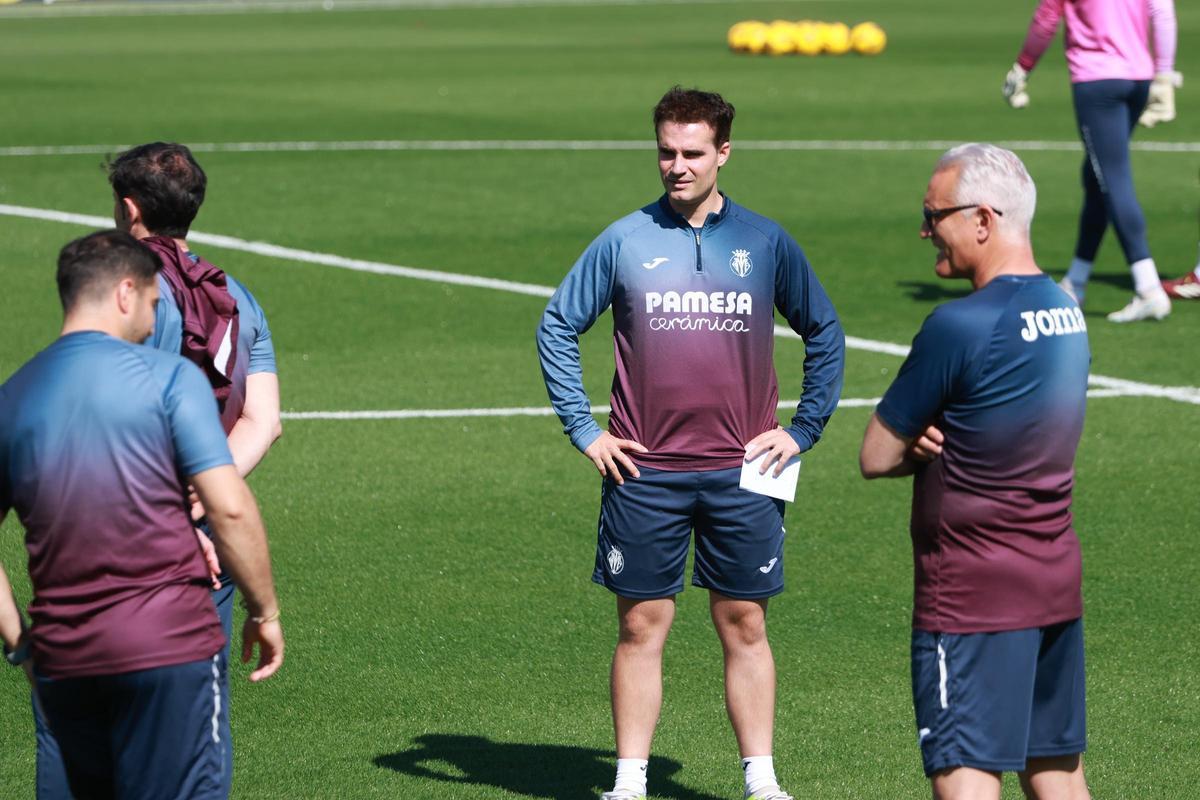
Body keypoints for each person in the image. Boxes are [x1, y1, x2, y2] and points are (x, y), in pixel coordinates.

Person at [537, 87, 845, 800]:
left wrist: (803, 430)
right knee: (642, 625)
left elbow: (824, 330)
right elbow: (557, 325)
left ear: (724, 154)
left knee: (744, 622)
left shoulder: (765, 242)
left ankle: (762, 782)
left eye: (692, 153)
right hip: (644, 472)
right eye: (666, 152)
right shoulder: (623, 240)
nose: (676, 166)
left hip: (746, 471)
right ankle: (630, 783)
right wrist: (584, 430)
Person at [0, 230, 284, 800]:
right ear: (125, 293)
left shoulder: (13, 398)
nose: (156, 324)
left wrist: (21, 646)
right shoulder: (171, 378)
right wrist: (264, 610)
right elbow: (228, 509)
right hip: (171, 649)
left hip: (64, 659)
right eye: (155, 304)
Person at [860, 144, 1091, 800]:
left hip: (971, 593)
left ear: (983, 220)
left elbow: (875, 455)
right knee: (1058, 771)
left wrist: (920, 446)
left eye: (935, 216)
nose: (926, 229)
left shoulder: (961, 325)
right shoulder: (1066, 312)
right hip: (1052, 577)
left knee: (966, 769)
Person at [1002, 0, 1181, 322]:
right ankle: (1076, 281)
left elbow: (1046, 18)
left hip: (1097, 82)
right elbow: (1162, 12)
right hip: (1138, 79)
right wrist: (1164, 75)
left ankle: (1148, 288)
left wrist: (1023, 66)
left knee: (1112, 179)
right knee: (1096, 175)